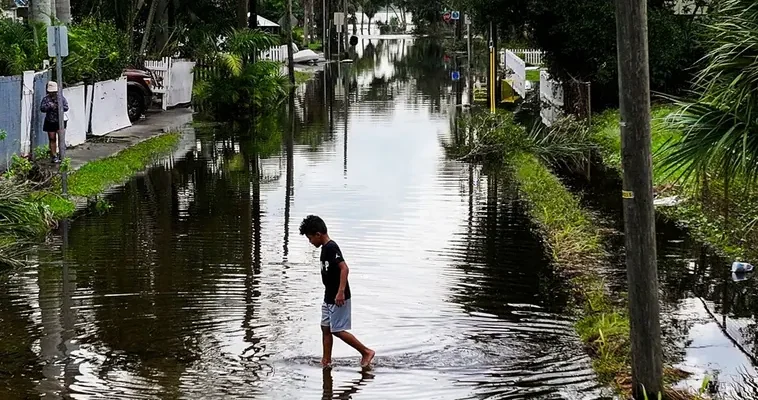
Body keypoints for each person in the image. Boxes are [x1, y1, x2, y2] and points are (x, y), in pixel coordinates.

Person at [299, 215, 375, 369]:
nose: (310, 242)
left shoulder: (331, 247)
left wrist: (340, 292)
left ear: (318, 235)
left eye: (310, 238)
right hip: (328, 296)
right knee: (325, 328)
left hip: (339, 297)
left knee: (338, 330)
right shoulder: (324, 249)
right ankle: (326, 361)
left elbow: (344, 269)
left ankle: (366, 352)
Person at [40, 81, 68, 163]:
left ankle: (62, 155)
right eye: (51, 92)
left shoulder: (61, 98)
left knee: (61, 138)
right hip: (50, 121)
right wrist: (49, 106)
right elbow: (42, 109)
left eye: (54, 92)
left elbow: (66, 107)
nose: (53, 94)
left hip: (60, 121)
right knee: (52, 139)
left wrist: (59, 107)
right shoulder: (46, 99)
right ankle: (54, 155)